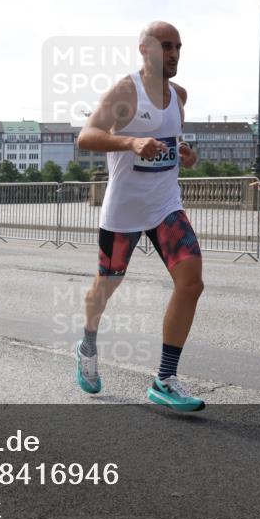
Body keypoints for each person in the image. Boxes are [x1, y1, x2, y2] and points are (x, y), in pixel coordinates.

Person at [74, 21, 204, 413]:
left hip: (165, 205)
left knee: (192, 281)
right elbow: (87, 135)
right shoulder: (125, 91)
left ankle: (165, 378)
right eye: (167, 46)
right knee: (107, 285)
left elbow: (170, 139)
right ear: (145, 49)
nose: (175, 53)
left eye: (179, 46)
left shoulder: (179, 95)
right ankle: (88, 342)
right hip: (124, 210)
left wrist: (185, 152)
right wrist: (130, 141)